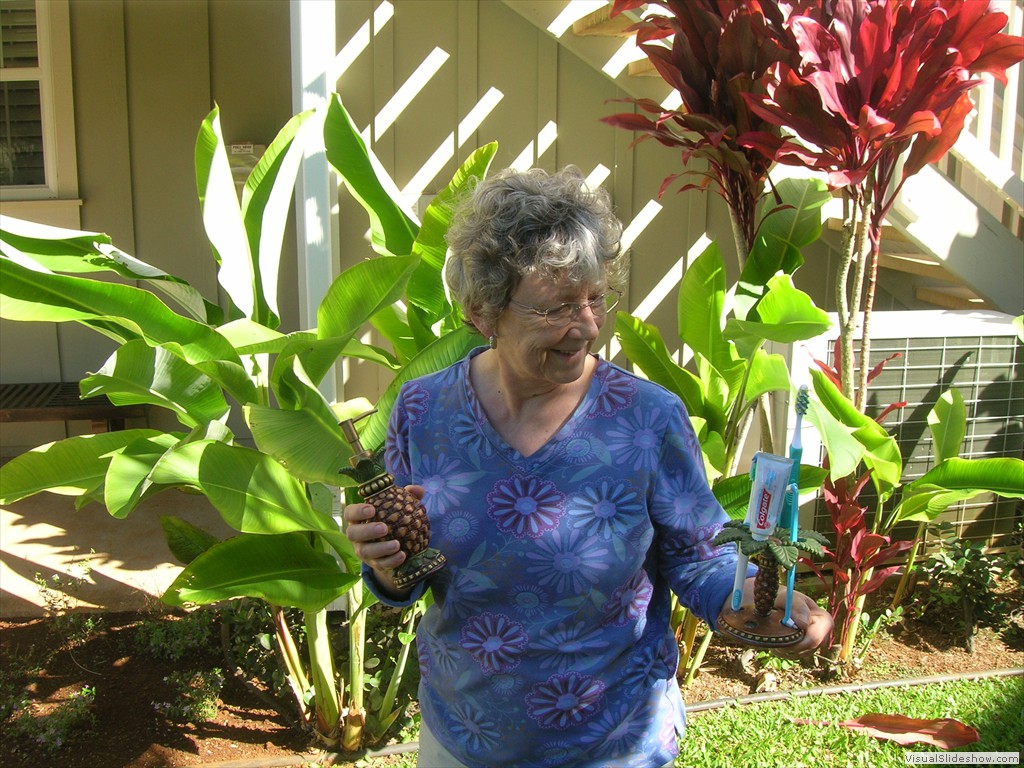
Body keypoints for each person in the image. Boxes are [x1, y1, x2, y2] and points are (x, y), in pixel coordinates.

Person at [343, 166, 832, 768]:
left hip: (614, 741)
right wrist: (385, 561)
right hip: (465, 735)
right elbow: (412, 568)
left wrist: (746, 599)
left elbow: (697, 553)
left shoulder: (648, 419)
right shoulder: (423, 410)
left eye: (596, 298)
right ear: (483, 311)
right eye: (555, 310)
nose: (589, 327)